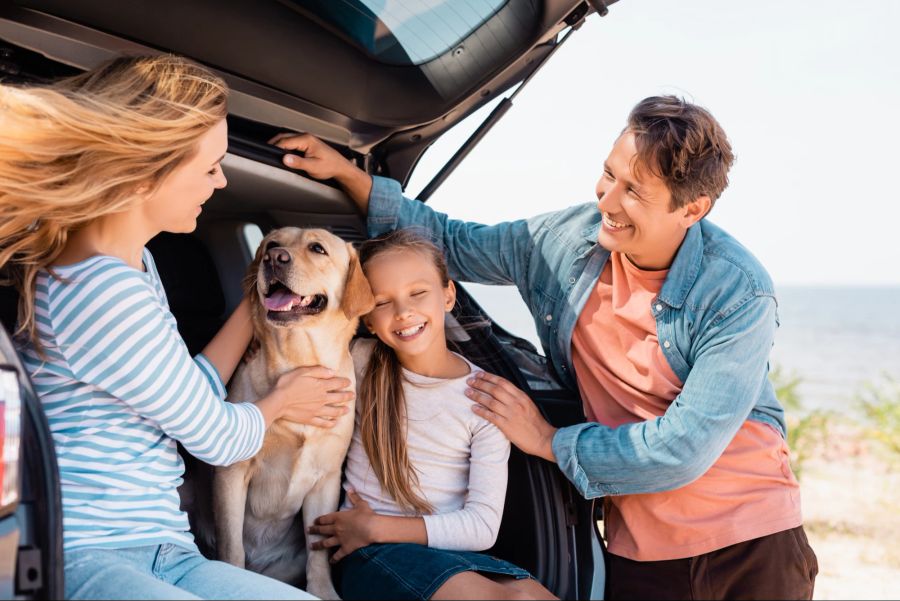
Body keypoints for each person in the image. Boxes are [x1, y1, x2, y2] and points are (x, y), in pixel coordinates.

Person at [271, 95, 818, 600]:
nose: (607, 200)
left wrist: (548, 440)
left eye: (635, 192)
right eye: (609, 174)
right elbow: (453, 243)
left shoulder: (737, 291)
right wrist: (347, 174)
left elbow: (681, 450)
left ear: (691, 210)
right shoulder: (564, 241)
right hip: (639, 545)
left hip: (751, 537)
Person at [0, 55, 355, 600]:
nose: (221, 179)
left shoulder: (134, 264)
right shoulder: (100, 289)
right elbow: (215, 438)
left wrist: (261, 295)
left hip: (168, 546)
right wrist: (281, 400)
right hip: (87, 550)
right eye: (211, 165)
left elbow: (192, 390)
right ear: (151, 166)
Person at [306, 230, 555, 601]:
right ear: (368, 318)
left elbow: (482, 526)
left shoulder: (483, 397)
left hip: (445, 551)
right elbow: (289, 350)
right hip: (367, 553)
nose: (403, 311)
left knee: (532, 596)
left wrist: (378, 527)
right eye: (382, 301)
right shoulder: (358, 362)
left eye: (418, 292)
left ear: (449, 295)